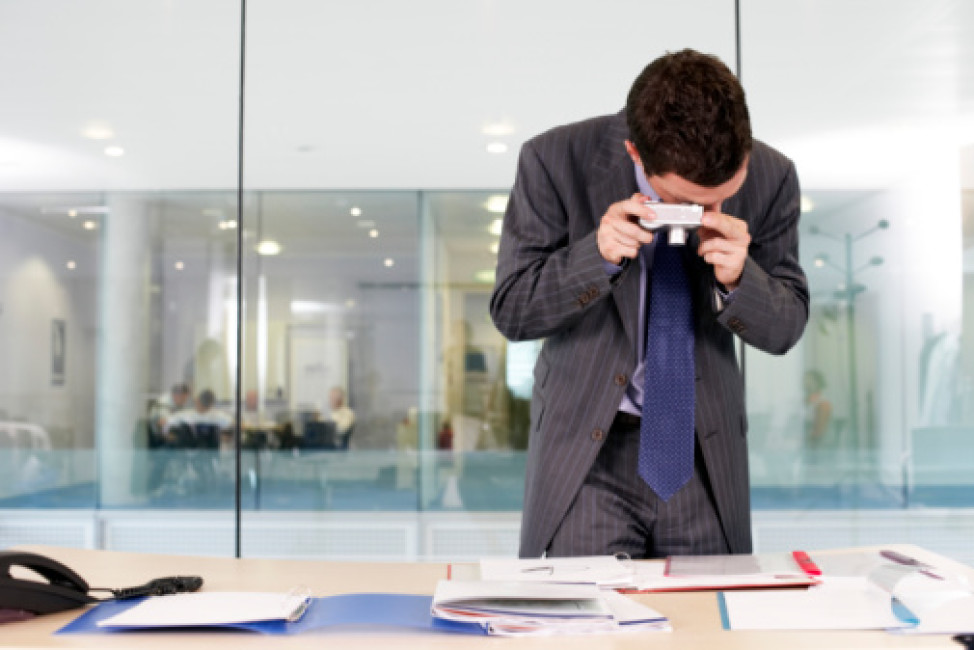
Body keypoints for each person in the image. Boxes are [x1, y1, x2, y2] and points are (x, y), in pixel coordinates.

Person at [490, 49, 809, 559]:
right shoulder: (554, 160)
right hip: (589, 456)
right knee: (582, 626)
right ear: (637, 155)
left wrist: (738, 279)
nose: (706, 213)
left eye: (722, 196)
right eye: (688, 201)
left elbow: (787, 325)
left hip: (703, 452)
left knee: (705, 630)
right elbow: (513, 309)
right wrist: (593, 257)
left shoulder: (773, 176)